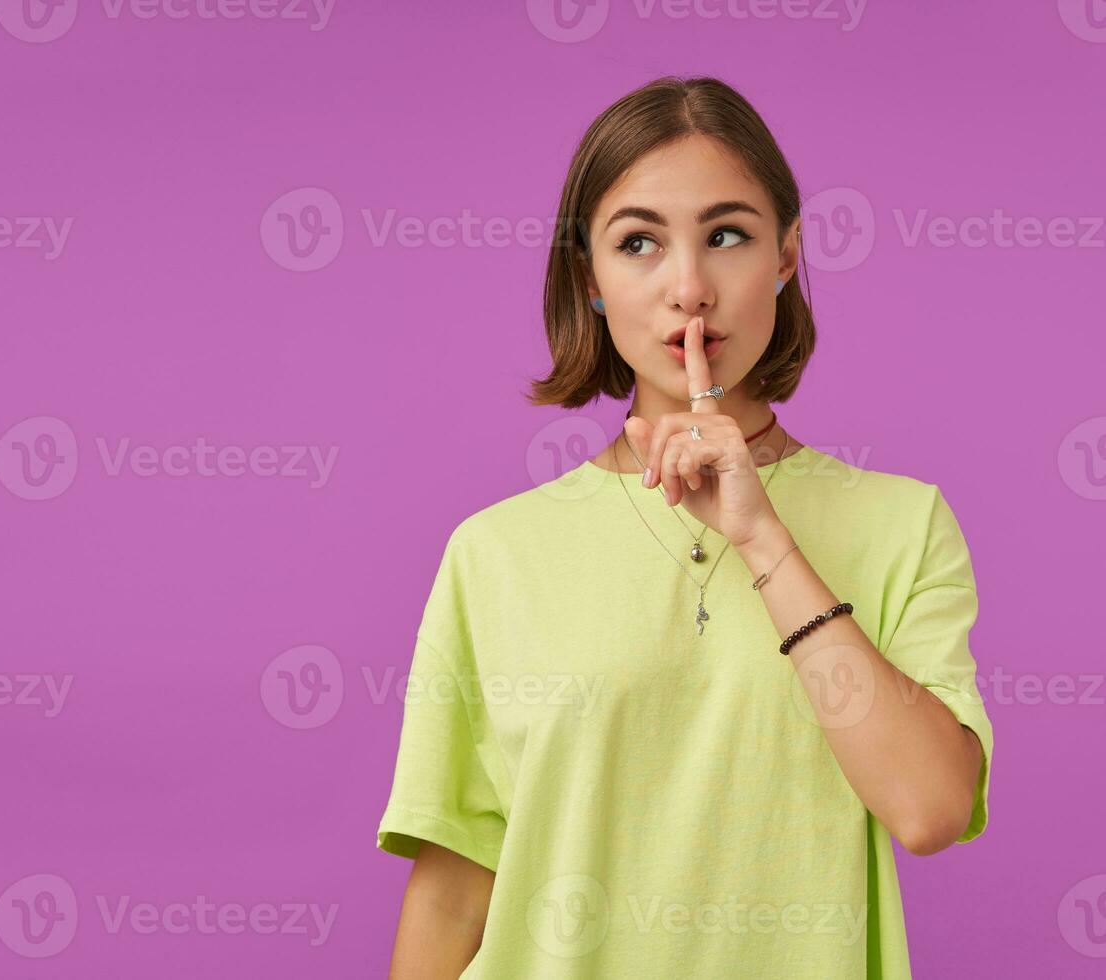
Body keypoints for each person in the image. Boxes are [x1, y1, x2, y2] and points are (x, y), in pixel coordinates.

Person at [375, 75, 993, 979]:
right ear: (589, 278)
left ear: (786, 256)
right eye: (639, 244)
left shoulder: (903, 523)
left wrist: (763, 537)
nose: (690, 288)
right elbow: (454, 888)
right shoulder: (494, 553)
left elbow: (931, 808)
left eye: (728, 236)